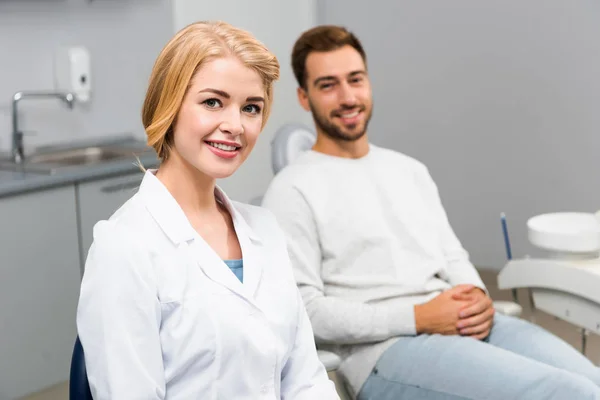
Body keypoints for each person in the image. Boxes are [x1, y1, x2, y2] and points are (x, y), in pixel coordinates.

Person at [261, 24, 600, 400]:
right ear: (304, 97)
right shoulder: (292, 190)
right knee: (566, 393)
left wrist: (475, 295)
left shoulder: (409, 170)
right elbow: (307, 311)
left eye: (355, 79)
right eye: (327, 85)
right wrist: (418, 317)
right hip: (388, 349)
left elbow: (452, 256)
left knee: (593, 383)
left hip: (462, 322)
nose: (347, 96)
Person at [76, 21, 339, 400]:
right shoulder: (124, 246)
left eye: (251, 108)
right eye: (212, 102)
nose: (235, 125)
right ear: (170, 104)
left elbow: (305, 381)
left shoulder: (264, 229)